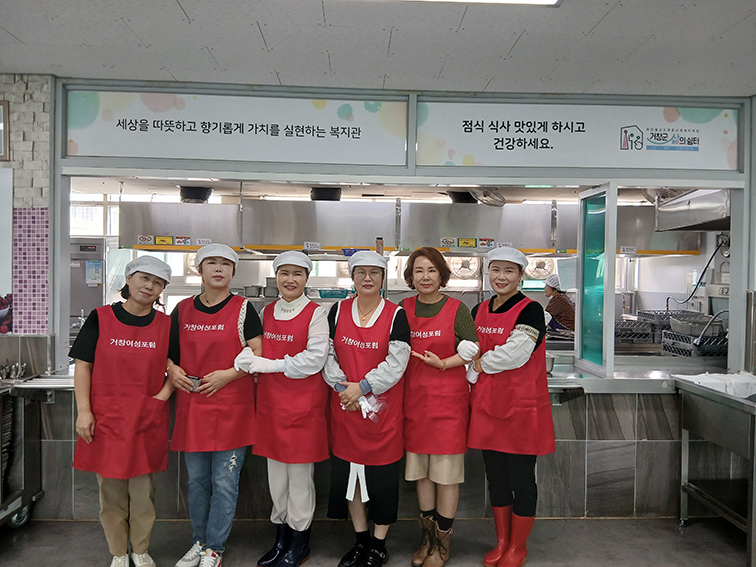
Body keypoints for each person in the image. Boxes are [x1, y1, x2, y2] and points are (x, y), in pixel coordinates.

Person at [72, 256, 173, 567]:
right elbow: (83, 366)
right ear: (129, 280)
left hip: (146, 419)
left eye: (157, 282)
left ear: (162, 290)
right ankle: (118, 552)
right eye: (144, 278)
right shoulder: (100, 318)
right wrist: (84, 411)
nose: (149, 286)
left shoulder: (167, 325)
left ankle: (140, 549)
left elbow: (177, 369)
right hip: (107, 420)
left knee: (143, 494)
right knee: (111, 493)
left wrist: (160, 399)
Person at [168, 244, 263, 567]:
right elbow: (168, 353)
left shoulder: (243, 309)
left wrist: (228, 375)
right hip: (193, 406)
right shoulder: (182, 310)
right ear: (200, 269)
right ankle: (198, 541)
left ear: (233, 272)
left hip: (232, 407)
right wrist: (172, 369)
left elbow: (258, 354)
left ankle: (215, 548)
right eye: (211, 263)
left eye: (225, 264)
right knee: (197, 482)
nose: (218, 269)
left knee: (225, 482)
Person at [233, 251, 329, 567]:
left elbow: (315, 359)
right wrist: (247, 357)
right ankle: (281, 538)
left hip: (303, 408)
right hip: (272, 406)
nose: (290, 280)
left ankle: (300, 542)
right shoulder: (267, 311)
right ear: (276, 277)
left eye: (297, 274)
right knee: (277, 479)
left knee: (299, 479)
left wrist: (272, 365)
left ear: (306, 278)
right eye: (284, 273)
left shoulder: (316, 313)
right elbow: (255, 348)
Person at [322, 251, 411, 567]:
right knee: (352, 480)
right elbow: (326, 354)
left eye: (375, 272)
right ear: (352, 277)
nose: (368, 278)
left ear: (383, 278)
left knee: (381, 481)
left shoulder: (396, 315)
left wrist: (362, 387)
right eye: (361, 272)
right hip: (345, 410)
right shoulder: (337, 311)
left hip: (381, 415)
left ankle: (378, 545)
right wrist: (342, 388)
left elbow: (397, 363)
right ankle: (360, 540)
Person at [468, 247, 555, 567]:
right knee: (496, 477)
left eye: (509, 271)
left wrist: (479, 365)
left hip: (520, 409)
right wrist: (471, 362)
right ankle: (502, 541)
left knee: (521, 479)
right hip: (487, 406)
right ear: (487, 273)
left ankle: (518, 546)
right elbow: (468, 347)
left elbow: (516, 353)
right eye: (495, 270)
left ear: (521, 275)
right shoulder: (478, 309)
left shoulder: (531, 310)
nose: (501, 277)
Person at [399, 247, 479, 567]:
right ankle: (426, 539)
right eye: (418, 271)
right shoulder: (402, 308)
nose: (425, 277)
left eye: (431, 270)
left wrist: (444, 363)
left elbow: (473, 349)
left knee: (446, 477)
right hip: (415, 404)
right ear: (410, 276)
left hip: (448, 405)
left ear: (441, 274)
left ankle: (442, 546)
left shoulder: (458, 309)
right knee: (422, 476)